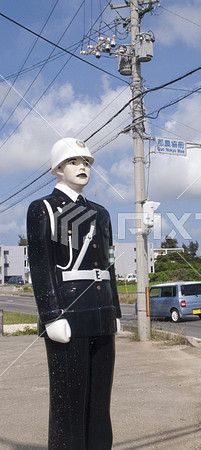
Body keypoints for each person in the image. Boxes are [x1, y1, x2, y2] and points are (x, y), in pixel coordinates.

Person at [27, 137, 121, 450]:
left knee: (99, 405)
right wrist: (51, 314)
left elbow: (108, 265)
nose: (82, 167)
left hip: (101, 315)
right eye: (74, 161)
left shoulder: (100, 213)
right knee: (68, 406)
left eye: (86, 162)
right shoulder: (43, 209)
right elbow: (42, 265)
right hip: (67, 315)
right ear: (58, 169)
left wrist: (115, 311)